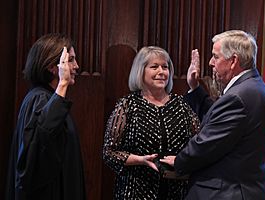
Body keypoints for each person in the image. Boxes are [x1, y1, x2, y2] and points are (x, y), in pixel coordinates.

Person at [161, 30, 265, 199]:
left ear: (233, 61)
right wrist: (194, 88)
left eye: (216, 56)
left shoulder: (238, 96)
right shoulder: (253, 87)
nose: (210, 62)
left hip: (226, 192)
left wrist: (179, 161)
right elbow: (219, 120)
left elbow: (207, 144)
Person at [102, 46, 201, 199]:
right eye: (154, 67)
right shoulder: (128, 105)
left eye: (165, 67)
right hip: (135, 191)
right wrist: (141, 160)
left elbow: (200, 143)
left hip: (176, 192)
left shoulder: (181, 105)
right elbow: (109, 153)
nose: (161, 72)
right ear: (141, 71)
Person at [6, 33, 86, 200]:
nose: (77, 66)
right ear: (53, 66)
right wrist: (62, 83)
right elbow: (42, 142)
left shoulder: (47, 98)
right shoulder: (39, 99)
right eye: (70, 60)